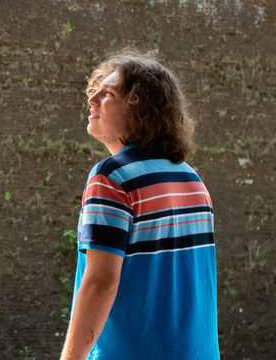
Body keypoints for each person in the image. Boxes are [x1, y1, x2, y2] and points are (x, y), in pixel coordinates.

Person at [60, 50, 219, 360]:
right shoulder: (193, 181)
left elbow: (100, 284)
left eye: (109, 93)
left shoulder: (112, 177)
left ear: (140, 109)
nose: (92, 98)